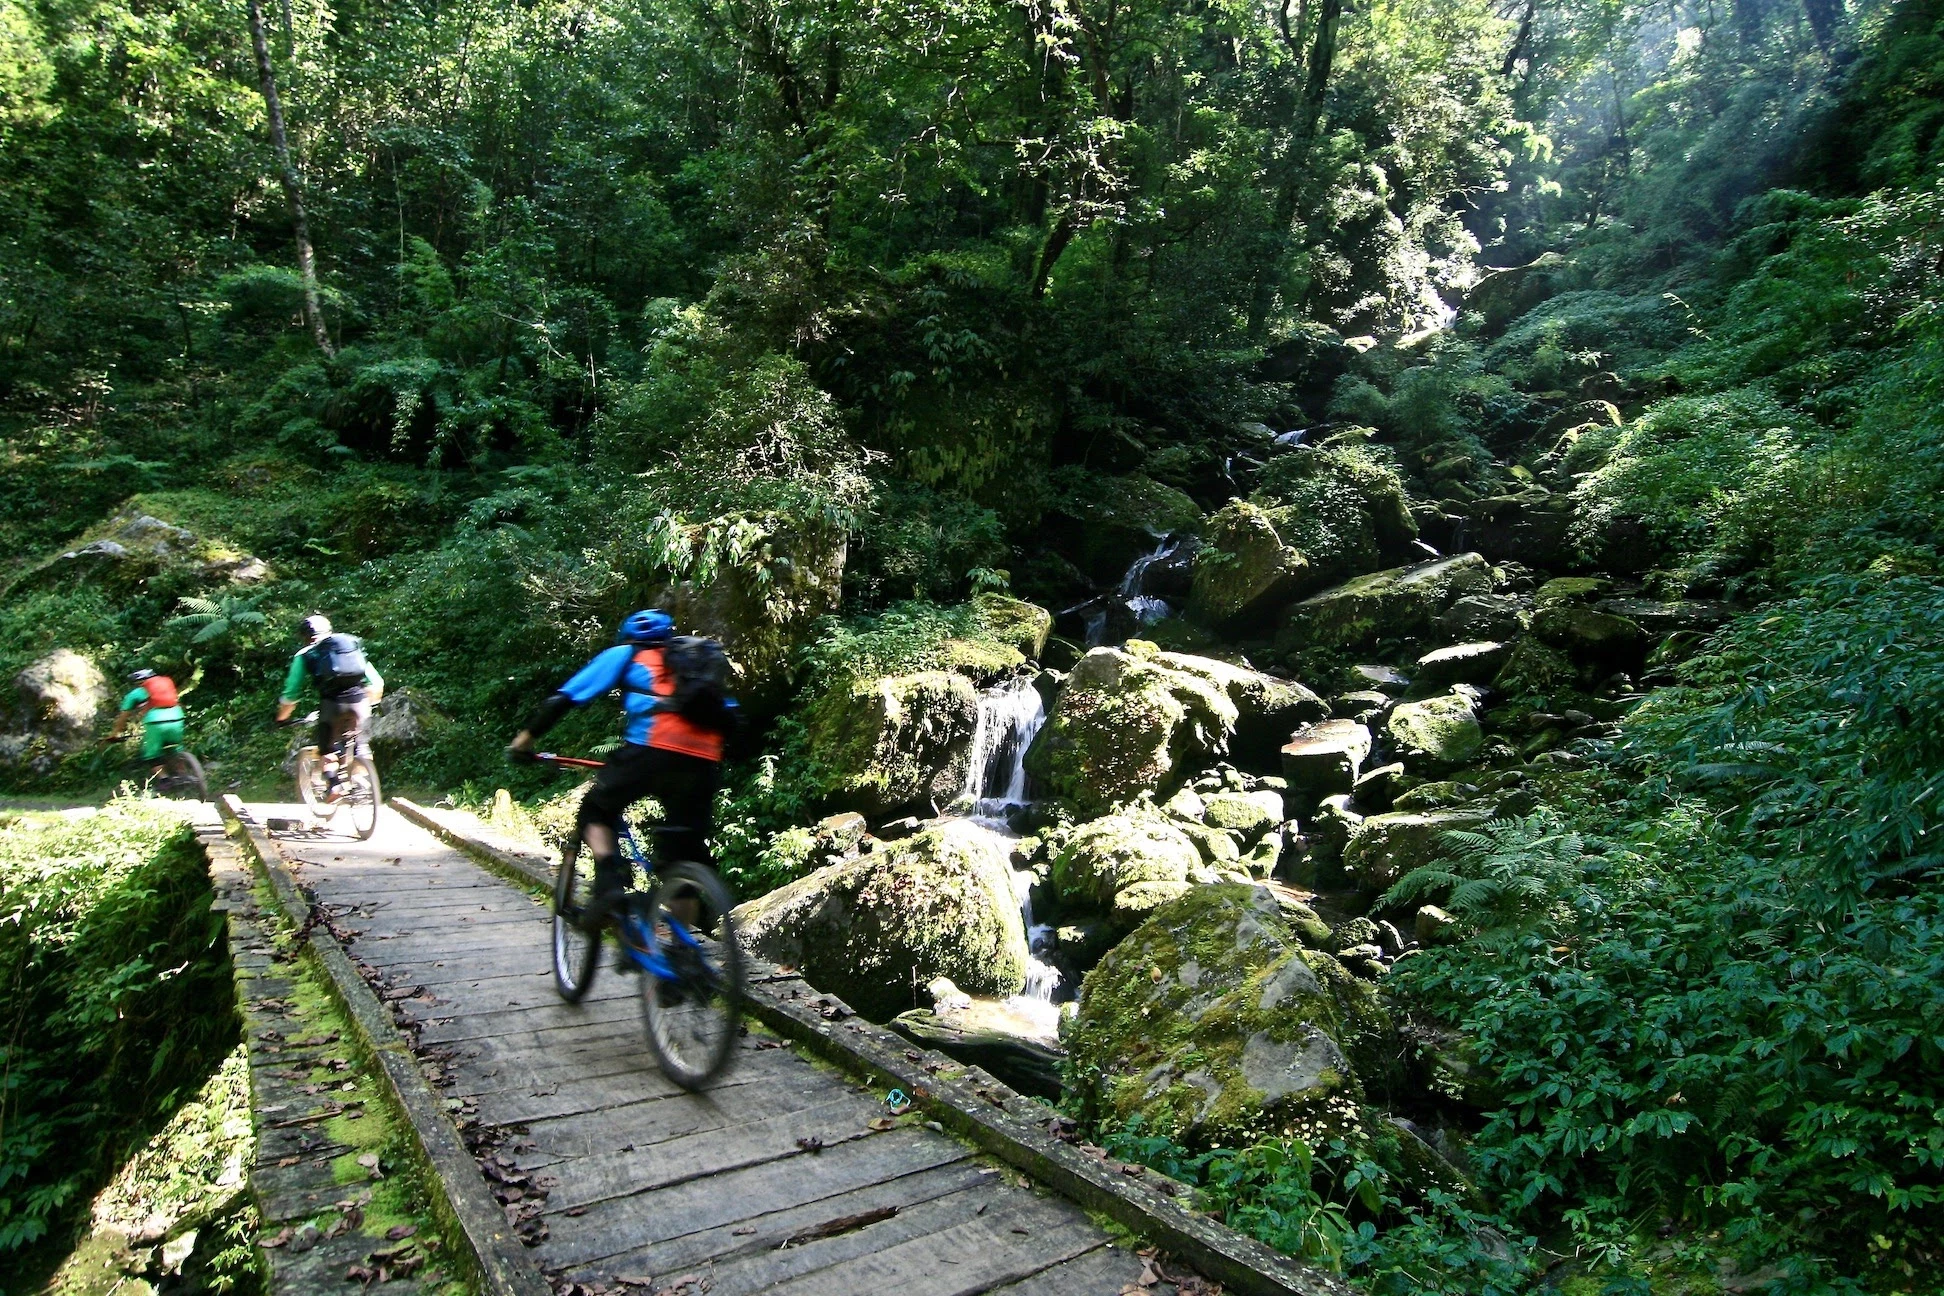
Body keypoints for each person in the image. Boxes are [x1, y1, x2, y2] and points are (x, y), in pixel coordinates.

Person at [506, 609, 735, 929]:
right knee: (680, 855)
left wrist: (523, 742)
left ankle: (610, 886)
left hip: (651, 750)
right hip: (705, 761)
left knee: (594, 811)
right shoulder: (695, 668)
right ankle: (683, 958)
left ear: (630, 636)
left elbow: (563, 699)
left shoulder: (627, 654)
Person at [275, 614, 384, 794]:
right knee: (361, 744)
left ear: (305, 637)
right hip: (360, 702)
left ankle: (334, 785)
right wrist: (369, 704)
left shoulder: (305, 654)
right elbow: (376, 682)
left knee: (328, 748)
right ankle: (360, 782)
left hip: (332, 705)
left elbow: (291, 694)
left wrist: (281, 718)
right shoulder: (349, 645)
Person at [108, 668, 186, 772]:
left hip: (155, 722)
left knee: (152, 753)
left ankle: (164, 780)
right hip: (177, 717)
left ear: (138, 682)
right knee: (176, 749)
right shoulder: (166, 687)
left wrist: (114, 734)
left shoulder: (135, 694)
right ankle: (185, 773)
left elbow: (123, 716)